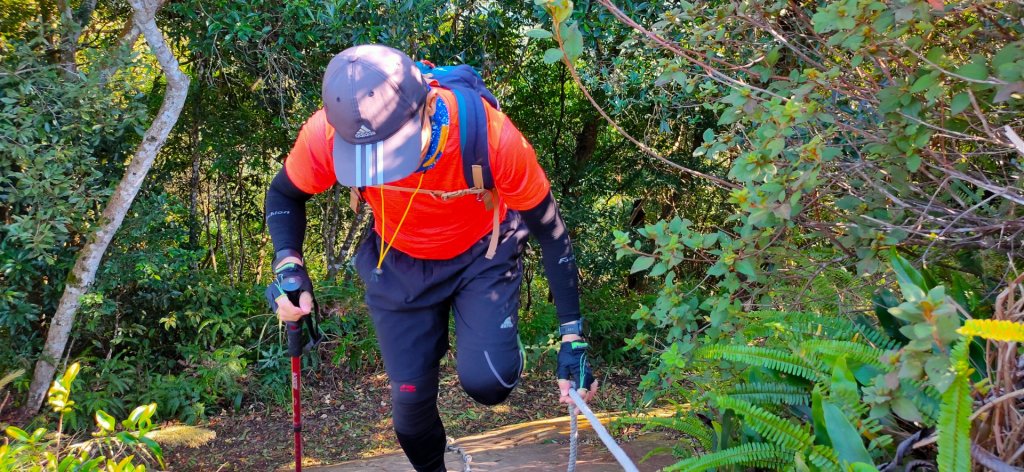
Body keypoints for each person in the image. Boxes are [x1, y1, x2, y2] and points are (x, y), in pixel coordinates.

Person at [264, 44, 597, 472]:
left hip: (483, 253)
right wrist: (289, 264)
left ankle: (491, 340)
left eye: (395, 151)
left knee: (489, 383)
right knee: (408, 412)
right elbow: (284, 193)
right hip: (399, 258)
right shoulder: (327, 134)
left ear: (427, 108)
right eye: (371, 159)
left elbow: (551, 232)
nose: (387, 170)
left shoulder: (491, 137)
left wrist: (572, 334)